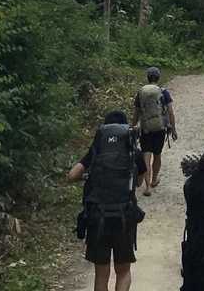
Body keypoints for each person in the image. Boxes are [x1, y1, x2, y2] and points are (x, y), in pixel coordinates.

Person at [65, 110, 147, 291]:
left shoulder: (97, 150)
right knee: (123, 272)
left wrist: (88, 175)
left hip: (98, 217)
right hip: (124, 216)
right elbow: (140, 182)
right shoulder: (134, 152)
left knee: (101, 275)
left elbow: (71, 175)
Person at [133, 66, 177, 195]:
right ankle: (154, 180)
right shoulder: (164, 92)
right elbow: (170, 112)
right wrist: (173, 129)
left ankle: (147, 187)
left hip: (146, 128)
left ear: (147, 78)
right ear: (158, 78)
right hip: (160, 128)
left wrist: (132, 126)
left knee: (146, 155)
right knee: (157, 154)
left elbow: (136, 112)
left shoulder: (141, 92)